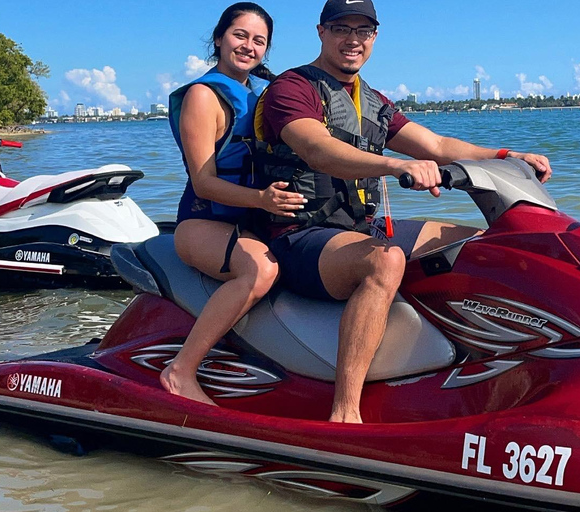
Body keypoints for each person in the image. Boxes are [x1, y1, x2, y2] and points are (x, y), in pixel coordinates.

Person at [257, 0, 553, 423]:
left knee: (473, 243)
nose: (353, 39)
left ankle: (468, 366)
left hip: (359, 227)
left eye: (364, 30)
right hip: (299, 236)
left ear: (374, 38)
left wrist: (506, 155)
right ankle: (345, 411)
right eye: (342, 28)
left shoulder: (371, 101)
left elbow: (435, 146)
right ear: (321, 32)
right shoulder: (293, 89)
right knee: (385, 260)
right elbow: (316, 148)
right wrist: (397, 164)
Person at [161, 2, 306, 405]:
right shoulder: (203, 97)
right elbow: (204, 182)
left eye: (259, 41)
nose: (248, 46)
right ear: (219, 38)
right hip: (201, 222)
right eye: (240, 35)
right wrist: (263, 199)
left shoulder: (263, 94)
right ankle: (180, 370)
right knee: (260, 270)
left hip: (255, 221)